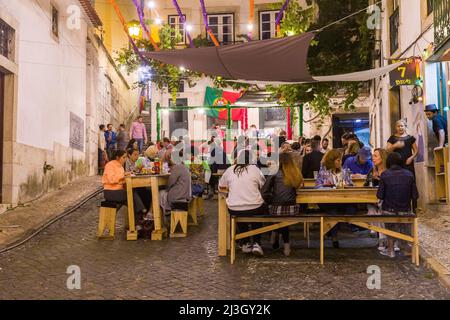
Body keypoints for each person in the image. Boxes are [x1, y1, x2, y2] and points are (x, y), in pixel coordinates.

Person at [219, 150, 267, 256]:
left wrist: (228, 193)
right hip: (255, 206)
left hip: (234, 208)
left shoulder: (230, 170)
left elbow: (221, 187)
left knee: (239, 213)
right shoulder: (255, 170)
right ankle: (256, 243)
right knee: (256, 215)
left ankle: (245, 242)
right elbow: (263, 185)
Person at [377, 152, 419, 258]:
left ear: (388, 162)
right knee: (404, 222)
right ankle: (406, 247)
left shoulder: (385, 174)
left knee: (389, 222)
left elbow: (380, 195)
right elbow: (415, 195)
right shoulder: (409, 174)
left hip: (389, 211)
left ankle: (390, 250)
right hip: (405, 210)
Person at [261, 153, 303, 256]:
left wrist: (271, 200)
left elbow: (264, 192)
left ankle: (277, 236)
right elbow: (299, 187)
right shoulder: (296, 173)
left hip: (277, 207)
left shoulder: (274, 173)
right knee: (284, 220)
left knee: (275, 214)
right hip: (293, 207)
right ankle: (285, 244)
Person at [316, 149, 354, 247]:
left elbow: (351, 184)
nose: (340, 162)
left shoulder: (345, 172)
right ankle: (334, 237)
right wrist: (326, 186)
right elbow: (317, 187)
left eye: (340, 160)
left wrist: (347, 185)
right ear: (331, 160)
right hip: (327, 200)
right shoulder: (323, 172)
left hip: (342, 199)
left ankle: (332, 230)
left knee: (351, 209)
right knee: (333, 212)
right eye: (338, 160)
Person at [102, 150, 146, 228]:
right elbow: (111, 179)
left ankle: (136, 224)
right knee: (131, 194)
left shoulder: (120, 166)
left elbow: (121, 181)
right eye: (123, 157)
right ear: (117, 157)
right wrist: (123, 175)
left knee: (133, 197)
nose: (125, 159)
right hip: (111, 192)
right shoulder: (110, 165)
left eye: (125, 157)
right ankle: (142, 212)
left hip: (118, 191)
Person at [159, 151, 192, 216]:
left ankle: (159, 219)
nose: (170, 159)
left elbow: (170, 183)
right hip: (185, 195)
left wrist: (166, 189)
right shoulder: (184, 166)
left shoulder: (177, 167)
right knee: (161, 193)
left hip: (177, 196)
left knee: (158, 194)